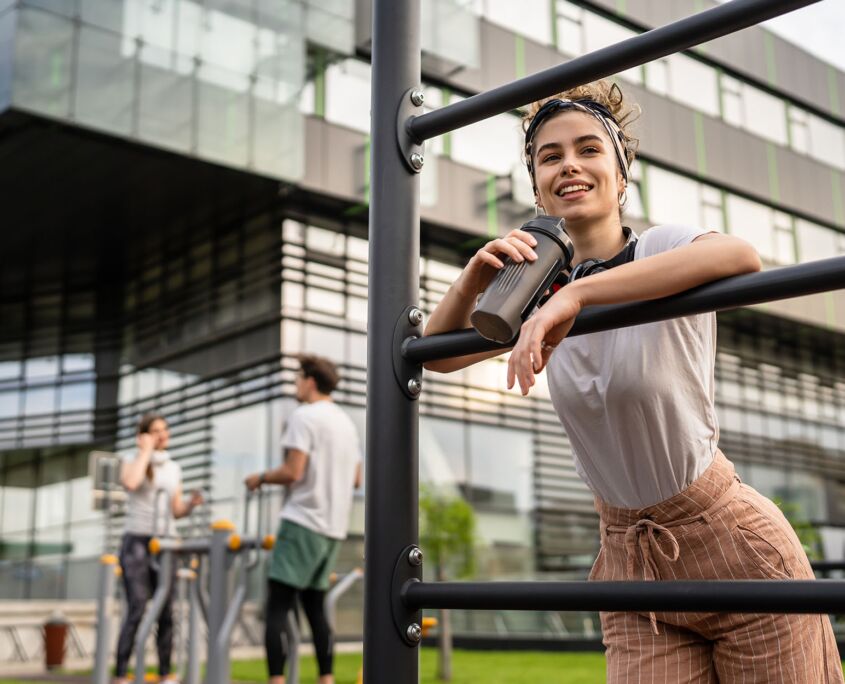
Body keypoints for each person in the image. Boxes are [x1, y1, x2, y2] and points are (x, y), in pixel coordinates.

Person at [423, 79, 843, 682]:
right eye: (550, 156)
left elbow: (741, 256)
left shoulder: (662, 248)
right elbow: (436, 358)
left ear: (622, 175)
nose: (569, 164)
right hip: (629, 557)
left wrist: (579, 295)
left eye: (589, 149)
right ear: (538, 186)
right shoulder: (534, 293)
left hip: (733, 542)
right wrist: (472, 280)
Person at [245, 354, 362, 684]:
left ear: (310, 381)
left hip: (302, 521)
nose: (296, 384)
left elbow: (293, 471)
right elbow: (356, 480)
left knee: (278, 608)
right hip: (332, 528)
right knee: (315, 608)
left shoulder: (304, 416)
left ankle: (277, 680)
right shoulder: (346, 424)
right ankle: (326, 679)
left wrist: (261, 478)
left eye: (298, 378)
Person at [114, 413, 203, 684]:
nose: (162, 434)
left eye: (165, 429)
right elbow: (130, 483)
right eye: (155, 431)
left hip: (165, 542)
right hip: (138, 542)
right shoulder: (132, 461)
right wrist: (146, 451)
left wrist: (190, 505)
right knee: (138, 606)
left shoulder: (174, 468)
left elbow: (175, 510)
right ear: (143, 435)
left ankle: (166, 674)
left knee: (166, 610)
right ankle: (121, 673)